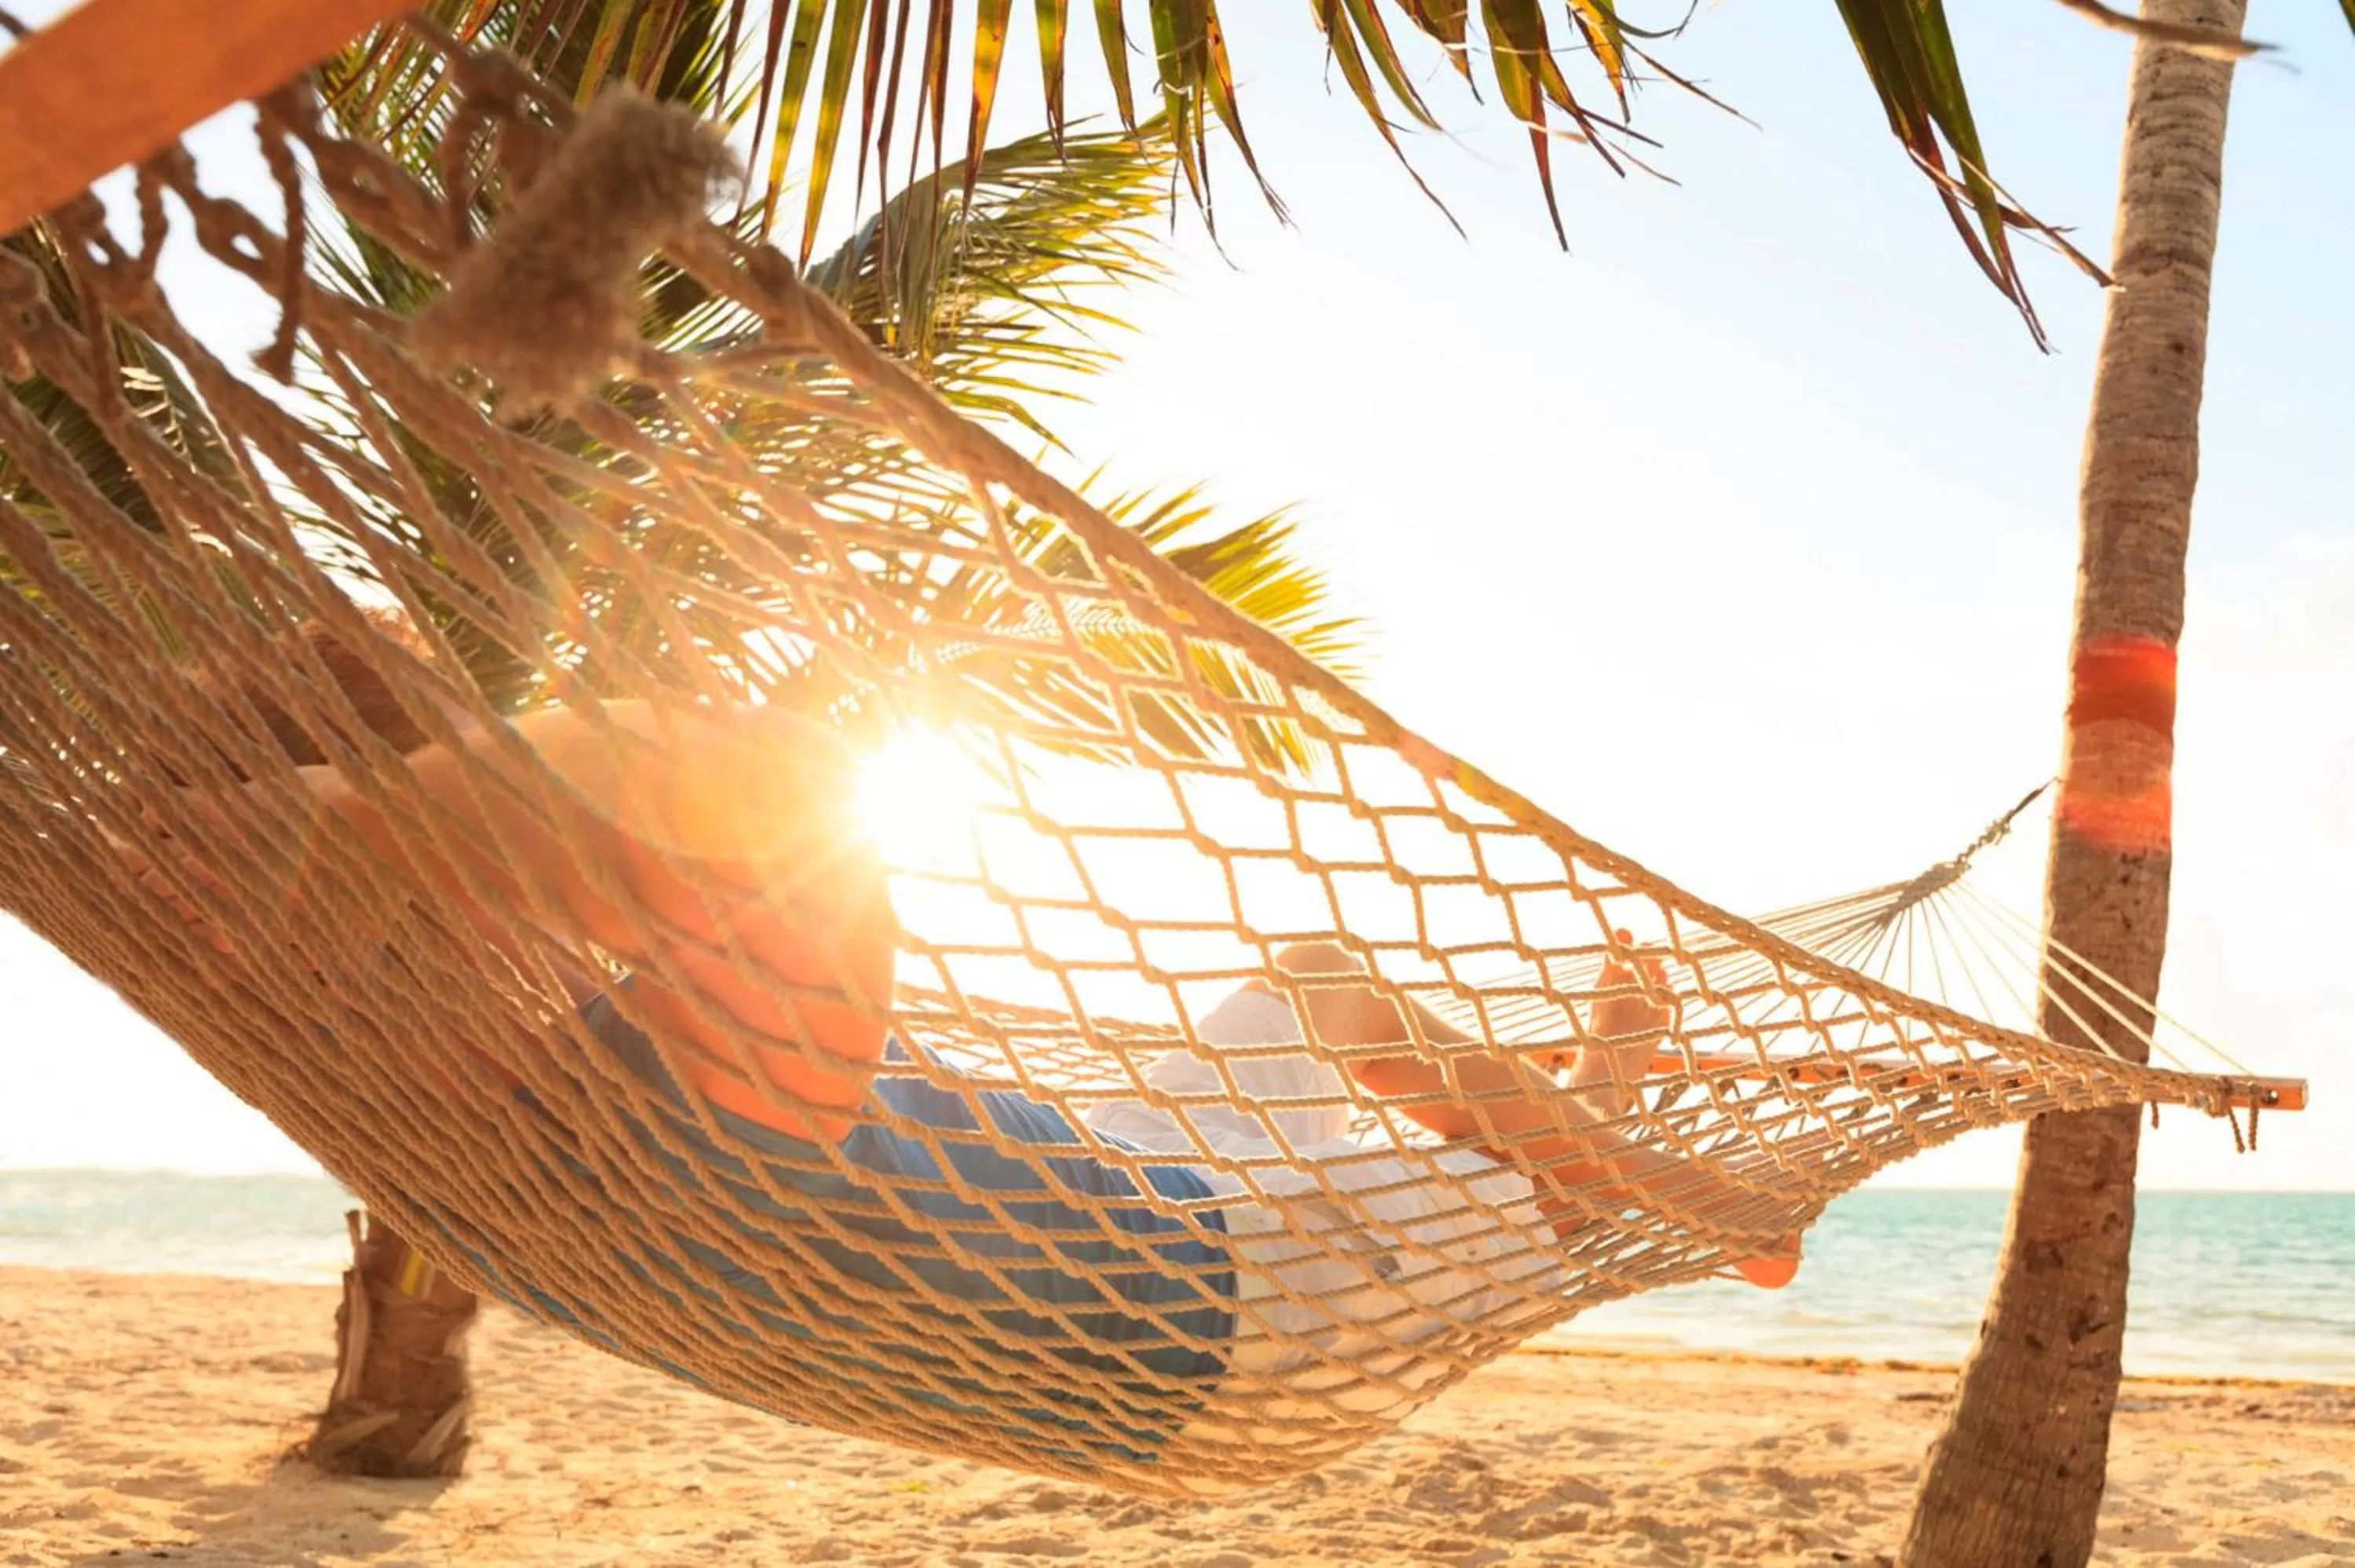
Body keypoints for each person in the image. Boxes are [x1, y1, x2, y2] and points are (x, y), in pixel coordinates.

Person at [113, 607, 1807, 1468]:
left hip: (1116, 1175)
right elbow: (773, 788)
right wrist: (325, 816)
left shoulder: (543, 1093)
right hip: (1243, 1305)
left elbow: (649, 869)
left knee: (1317, 979)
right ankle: (1628, 1159)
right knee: (1507, 1190)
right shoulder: (647, 1114)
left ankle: (1600, 1124)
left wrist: (315, 824)